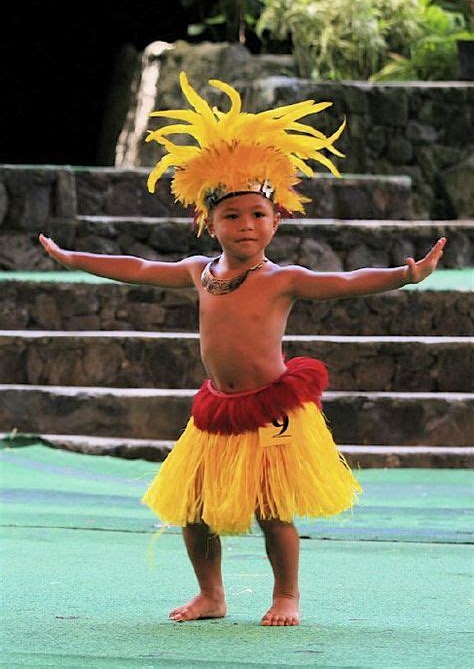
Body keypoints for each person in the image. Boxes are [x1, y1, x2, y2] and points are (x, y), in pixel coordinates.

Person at [39, 73, 447, 627]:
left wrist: (406, 275)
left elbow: (350, 281)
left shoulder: (284, 279)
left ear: (277, 219)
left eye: (258, 215)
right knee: (193, 508)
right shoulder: (197, 273)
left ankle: (286, 596)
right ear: (210, 222)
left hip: (271, 407)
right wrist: (76, 260)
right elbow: (135, 269)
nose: (246, 225)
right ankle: (211, 595)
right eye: (232, 215)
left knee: (271, 508)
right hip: (216, 407)